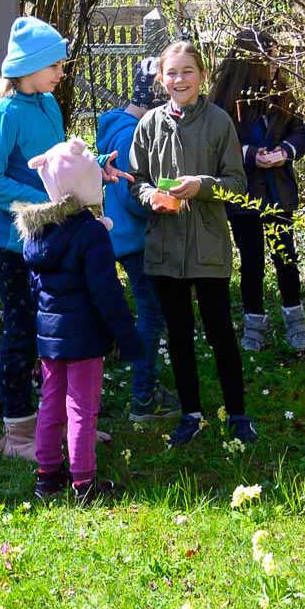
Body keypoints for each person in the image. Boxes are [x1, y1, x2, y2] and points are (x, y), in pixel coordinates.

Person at [0, 16, 132, 460]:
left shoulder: (48, 104)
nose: (61, 72)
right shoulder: (3, 114)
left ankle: (61, 425)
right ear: (28, 67)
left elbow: (56, 162)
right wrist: (50, 201)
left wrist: (95, 165)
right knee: (22, 330)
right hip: (10, 242)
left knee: (58, 331)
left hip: (50, 239)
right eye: (54, 65)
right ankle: (17, 434)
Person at [128, 40, 256, 446]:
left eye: (187, 71)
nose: (179, 79)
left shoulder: (219, 122)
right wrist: (151, 196)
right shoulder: (149, 125)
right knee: (179, 335)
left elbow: (238, 185)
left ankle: (238, 415)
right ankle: (191, 416)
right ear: (160, 79)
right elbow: (136, 181)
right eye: (172, 72)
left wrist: (202, 186)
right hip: (165, 249)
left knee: (220, 332)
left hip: (208, 248)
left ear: (202, 75)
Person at [14, 138, 145, 505]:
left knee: (51, 403)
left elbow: (37, 289)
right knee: (81, 409)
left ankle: (47, 476)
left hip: (50, 337)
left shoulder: (37, 233)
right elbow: (106, 292)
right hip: (84, 336)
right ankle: (84, 482)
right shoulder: (91, 233)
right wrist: (127, 337)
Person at [209, 28, 305, 354]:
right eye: (269, 58)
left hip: (278, 192)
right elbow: (217, 147)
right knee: (251, 260)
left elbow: (301, 131)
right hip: (243, 196)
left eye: (276, 57)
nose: (275, 64)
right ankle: (254, 324)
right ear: (249, 61)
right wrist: (251, 155)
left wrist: (285, 151)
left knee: (286, 256)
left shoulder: (282, 93)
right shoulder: (223, 102)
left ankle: (296, 322)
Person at [95, 57, 182, 422]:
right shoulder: (132, 134)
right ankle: (143, 395)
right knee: (151, 314)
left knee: (150, 312)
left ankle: (145, 387)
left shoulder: (118, 124)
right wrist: (166, 201)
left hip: (127, 238)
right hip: (137, 239)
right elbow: (133, 194)